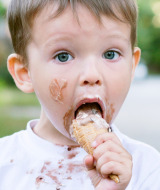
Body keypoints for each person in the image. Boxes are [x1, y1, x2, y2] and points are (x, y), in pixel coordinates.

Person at [0, 0, 160, 189]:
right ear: (25, 72)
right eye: (63, 56)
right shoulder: (5, 163)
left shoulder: (146, 169)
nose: (92, 75)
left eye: (110, 54)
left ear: (131, 66)